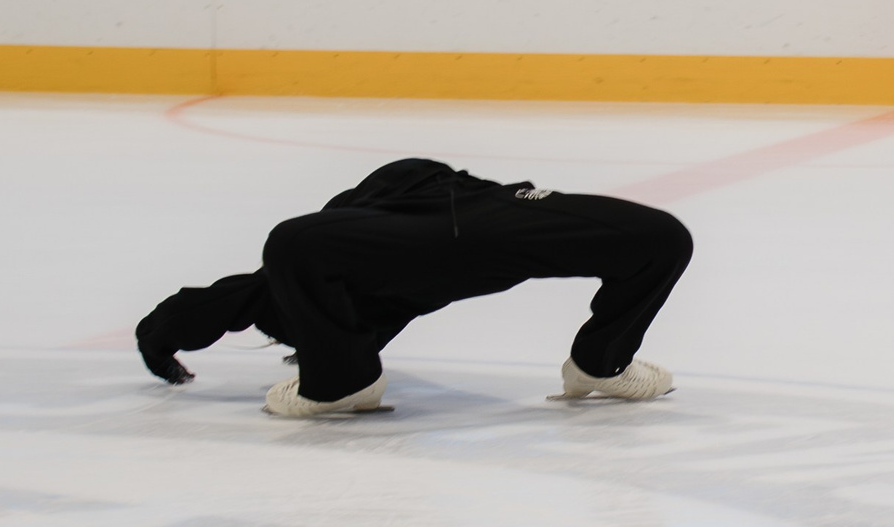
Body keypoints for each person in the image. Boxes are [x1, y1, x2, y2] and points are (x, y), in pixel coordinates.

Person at [136, 158, 691, 417]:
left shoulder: (316, 264)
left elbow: (235, 295)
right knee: (664, 237)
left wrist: (156, 336)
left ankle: (339, 378)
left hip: (460, 218)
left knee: (291, 247)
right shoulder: (321, 270)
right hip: (487, 223)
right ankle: (602, 361)